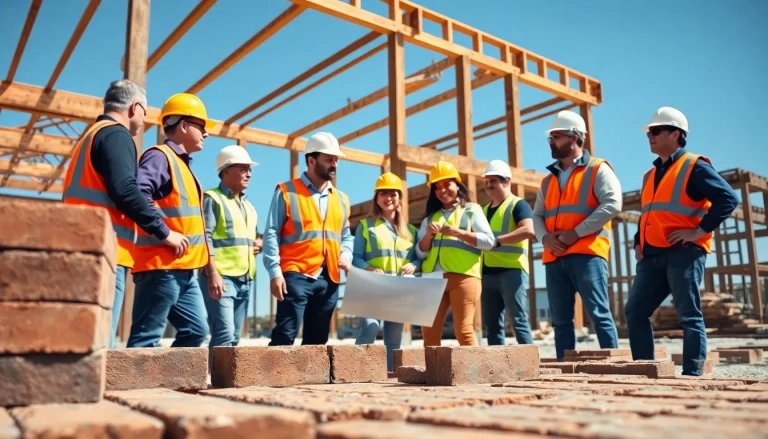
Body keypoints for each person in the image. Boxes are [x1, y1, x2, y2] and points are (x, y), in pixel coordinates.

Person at [625, 107, 738, 376]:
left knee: (688, 314)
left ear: (675, 134)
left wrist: (698, 231)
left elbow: (728, 199)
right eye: (649, 132)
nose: (649, 136)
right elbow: (648, 213)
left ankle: (692, 373)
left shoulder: (694, 166)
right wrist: (637, 242)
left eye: (655, 131)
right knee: (635, 312)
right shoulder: (649, 175)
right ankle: (645, 370)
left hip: (684, 252)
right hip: (651, 256)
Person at [62, 79, 168, 349]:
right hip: (105, 252)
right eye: (145, 112)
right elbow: (125, 190)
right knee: (102, 340)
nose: (144, 120)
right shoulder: (117, 135)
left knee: (86, 334)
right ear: (134, 107)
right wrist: (162, 230)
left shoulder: (91, 135)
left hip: (80, 245)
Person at [532, 110, 622, 361]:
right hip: (555, 256)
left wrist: (576, 233)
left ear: (575, 137)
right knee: (560, 320)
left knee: (599, 314)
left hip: (587, 253)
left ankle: (615, 366)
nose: (551, 141)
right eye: (550, 137)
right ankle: (565, 367)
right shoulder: (548, 181)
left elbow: (612, 204)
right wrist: (545, 238)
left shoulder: (597, 169)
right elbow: (537, 215)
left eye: (556, 136)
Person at [127, 92, 215, 348]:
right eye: (201, 126)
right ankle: (135, 387)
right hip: (161, 267)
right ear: (184, 125)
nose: (206, 133)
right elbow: (139, 194)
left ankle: (166, 382)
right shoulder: (159, 156)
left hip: (184, 269)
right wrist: (165, 233)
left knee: (196, 331)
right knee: (146, 338)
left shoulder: (182, 164)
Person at [263, 132, 353, 346]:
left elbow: (346, 235)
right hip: (295, 274)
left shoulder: (341, 199)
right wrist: (275, 272)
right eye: (329, 159)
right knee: (285, 335)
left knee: (317, 343)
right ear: (311, 160)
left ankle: (309, 381)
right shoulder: (286, 191)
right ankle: (273, 379)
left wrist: (346, 254)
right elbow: (271, 232)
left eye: (336, 160)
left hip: (329, 277)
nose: (335, 165)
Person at [417, 161, 496, 346]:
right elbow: (420, 254)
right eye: (437, 187)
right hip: (433, 278)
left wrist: (460, 233)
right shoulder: (429, 218)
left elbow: (489, 242)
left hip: (464, 276)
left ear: (457, 185)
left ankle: (475, 374)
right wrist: (428, 235)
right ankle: (433, 373)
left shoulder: (472, 210)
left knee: (464, 330)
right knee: (429, 332)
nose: (442, 190)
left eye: (446, 184)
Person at [200, 145, 261, 366]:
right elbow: (205, 236)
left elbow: (246, 238)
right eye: (243, 168)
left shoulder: (250, 207)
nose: (249, 173)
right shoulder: (212, 199)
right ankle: (213, 382)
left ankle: (219, 380)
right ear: (226, 171)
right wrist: (212, 273)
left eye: (249, 169)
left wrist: (257, 244)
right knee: (224, 336)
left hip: (245, 279)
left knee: (233, 338)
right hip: (222, 278)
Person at [352, 172, 420, 371]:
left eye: (392, 193)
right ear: (376, 197)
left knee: (393, 338)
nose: (388, 198)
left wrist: (414, 265)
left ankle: (390, 373)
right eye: (383, 193)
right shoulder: (366, 226)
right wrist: (370, 267)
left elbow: (417, 258)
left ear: (399, 198)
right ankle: (357, 371)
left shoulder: (410, 231)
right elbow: (355, 257)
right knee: (370, 328)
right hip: (372, 287)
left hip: (397, 289)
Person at [480, 160, 536, 346]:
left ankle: (530, 366)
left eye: (493, 181)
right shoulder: (484, 210)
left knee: (519, 321)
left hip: (512, 271)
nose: (489, 185)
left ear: (506, 181)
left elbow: (528, 230)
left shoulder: (518, 205)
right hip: (487, 273)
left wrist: (497, 240)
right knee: (492, 326)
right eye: (486, 181)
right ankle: (497, 370)